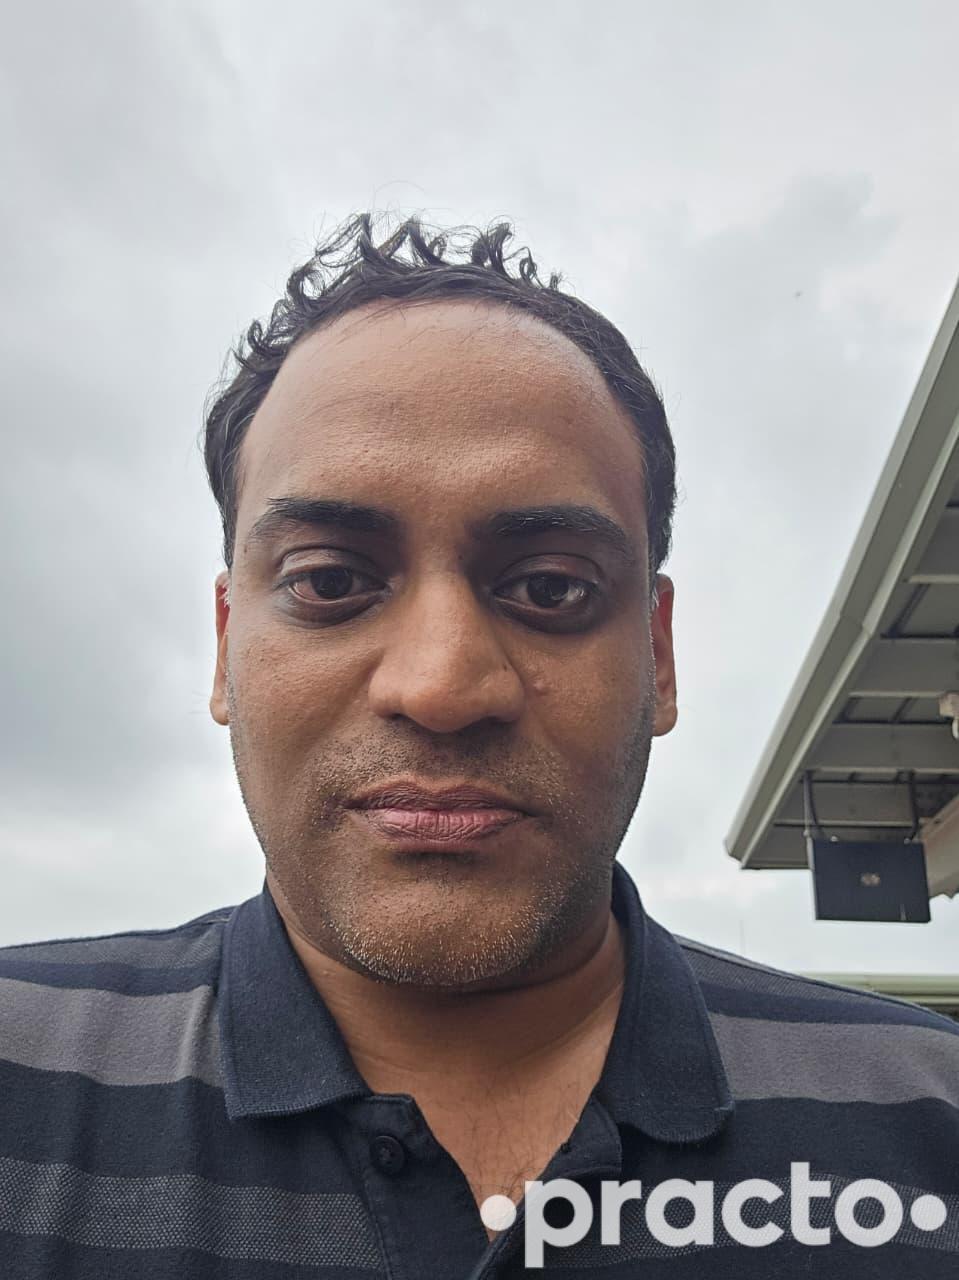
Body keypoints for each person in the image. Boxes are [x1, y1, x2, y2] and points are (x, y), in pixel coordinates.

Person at [1, 215, 957, 1279]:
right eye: (329, 579)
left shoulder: (932, 1121)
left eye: (549, 587)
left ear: (657, 654)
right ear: (226, 649)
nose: (442, 686)